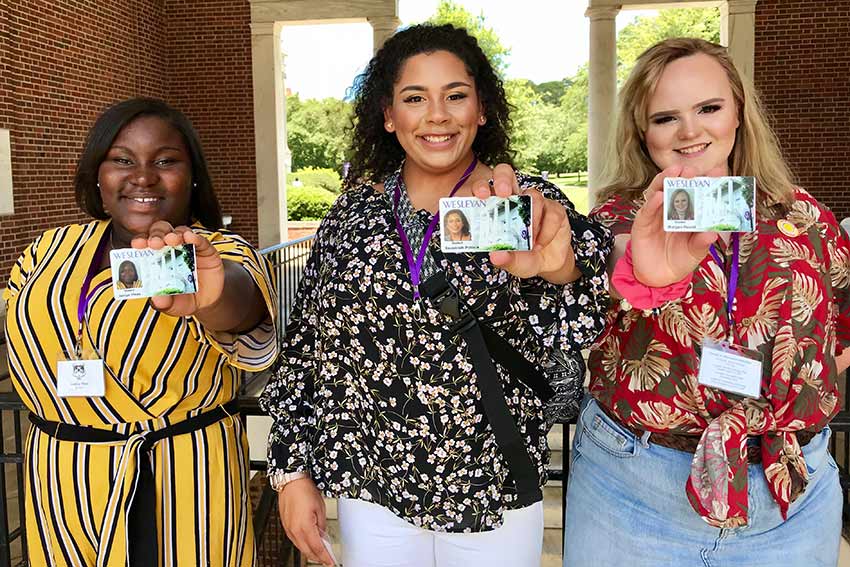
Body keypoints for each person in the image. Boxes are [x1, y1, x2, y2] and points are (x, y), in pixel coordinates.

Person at [259, 23, 612, 567]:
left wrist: (561, 268)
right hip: (374, 485)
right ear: (388, 115)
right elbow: (309, 348)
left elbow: (579, 320)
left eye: (455, 95)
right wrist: (290, 471)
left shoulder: (522, 205)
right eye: (414, 98)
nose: (437, 115)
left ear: (482, 109)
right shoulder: (352, 217)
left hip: (492, 479)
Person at [565, 38, 850, 566]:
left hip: (786, 489)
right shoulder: (618, 222)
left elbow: (842, 316)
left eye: (709, 108)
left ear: (739, 110)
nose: (690, 131)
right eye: (666, 117)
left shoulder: (804, 216)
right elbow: (597, 280)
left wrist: (803, 383)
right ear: (642, 133)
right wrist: (642, 276)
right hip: (637, 487)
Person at [4, 98, 277, 566]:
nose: (143, 176)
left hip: (179, 477)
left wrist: (211, 297)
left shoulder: (215, 250)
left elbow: (242, 306)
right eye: (122, 160)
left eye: (165, 161)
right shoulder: (50, 249)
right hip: (64, 476)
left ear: (191, 175)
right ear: (98, 173)